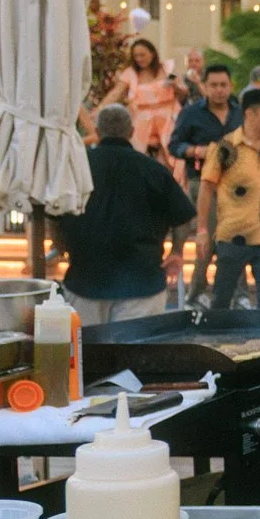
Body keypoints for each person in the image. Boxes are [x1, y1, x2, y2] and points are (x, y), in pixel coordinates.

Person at [56, 104, 196, 326]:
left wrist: (61, 244)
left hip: (85, 282)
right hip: (143, 285)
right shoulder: (154, 170)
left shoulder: (77, 170)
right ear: (131, 132)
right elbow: (184, 217)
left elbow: (53, 213)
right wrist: (177, 252)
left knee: (88, 356)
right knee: (136, 357)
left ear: (98, 133)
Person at [198, 86, 260, 309]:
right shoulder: (225, 147)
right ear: (250, 114)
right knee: (221, 300)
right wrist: (202, 230)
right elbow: (206, 188)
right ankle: (218, 341)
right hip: (234, 234)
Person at [100, 36, 182, 160]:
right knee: (138, 153)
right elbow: (115, 94)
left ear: (152, 53)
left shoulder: (166, 68)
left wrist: (175, 86)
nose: (139, 59)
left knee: (171, 154)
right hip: (142, 120)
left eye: (142, 55)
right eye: (136, 56)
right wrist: (100, 108)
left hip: (167, 117)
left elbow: (183, 91)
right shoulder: (131, 73)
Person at [168, 61, 241, 189]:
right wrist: (195, 151)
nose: (219, 90)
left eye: (223, 85)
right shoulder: (190, 113)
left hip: (236, 182)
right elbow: (174, 145)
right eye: (214, 85)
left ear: (231, 86)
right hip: (200, 181)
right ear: (205, 86)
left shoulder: (241, 113)